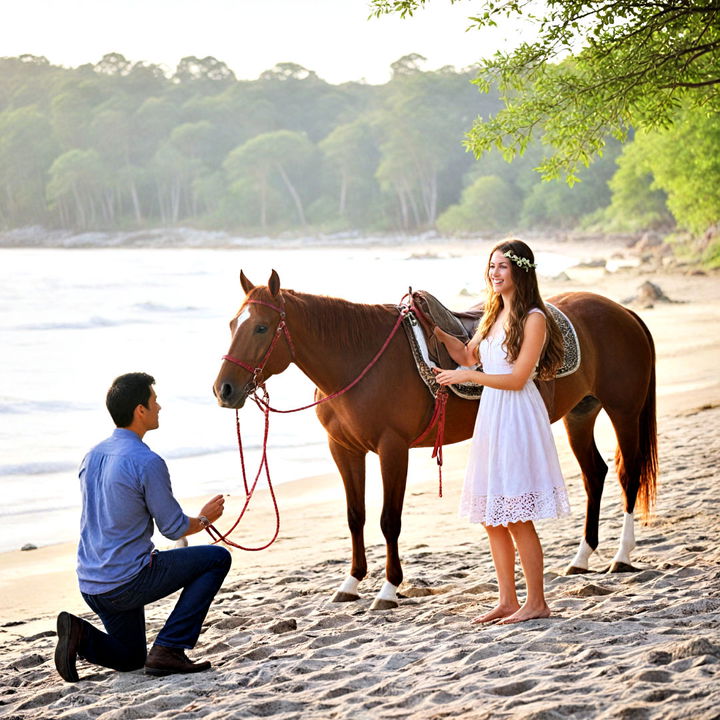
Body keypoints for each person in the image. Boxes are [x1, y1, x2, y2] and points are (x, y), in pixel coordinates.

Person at [54, 372, 232, 681]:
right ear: (140, 410)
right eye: (154, 400)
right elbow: (174, 528)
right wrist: (204, 520)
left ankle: (79, 634)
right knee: (218, 559)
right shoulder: (145, 461)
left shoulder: (92, 455)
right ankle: (170, 648)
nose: (159, 407)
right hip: (125, 582)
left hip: (91, 583)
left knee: (130, 658)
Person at [433, 239, 570, 625]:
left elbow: (518, 377)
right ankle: (508, 600)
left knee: (515, 515)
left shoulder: (534, 318)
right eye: (491, 266)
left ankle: (537, 602)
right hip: (492, 417)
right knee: (493, 516)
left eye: (502, 267)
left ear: (520, 272)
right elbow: (468, 356)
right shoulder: (491, 315)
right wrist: (444, 338)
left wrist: (467, 377)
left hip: (517, 415)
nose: (494, 273)